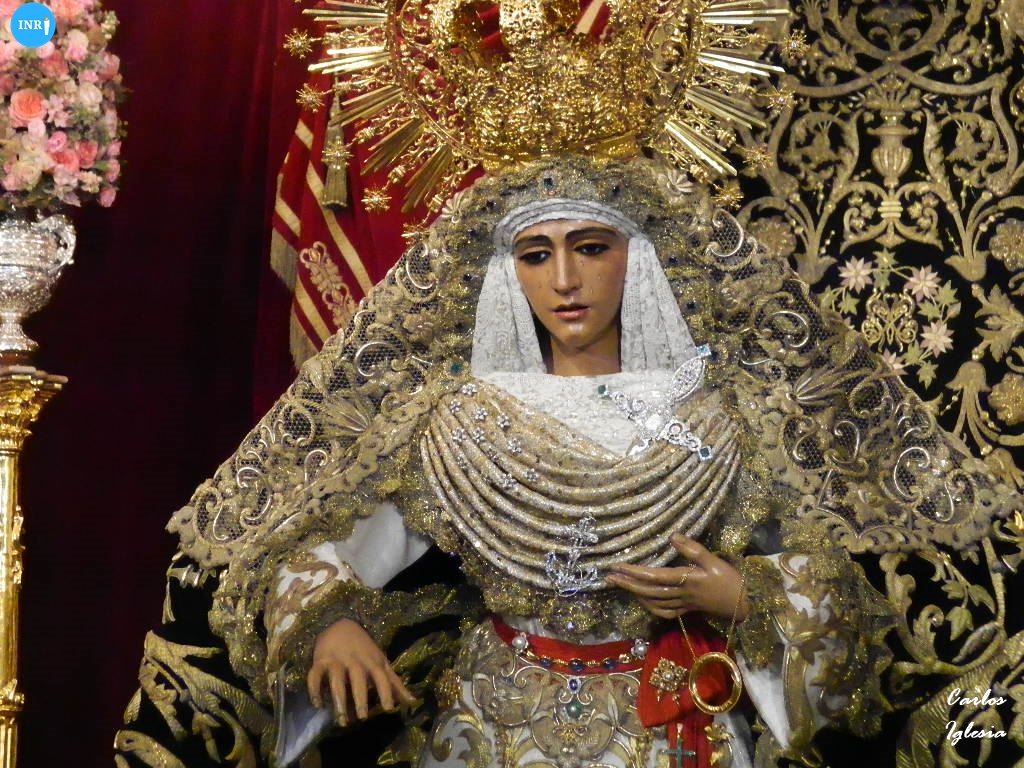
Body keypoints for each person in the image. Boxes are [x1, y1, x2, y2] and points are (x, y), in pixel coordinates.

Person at [161, 156, 1012, 768]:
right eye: (536, 255)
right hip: (490, 725)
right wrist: (331, 622)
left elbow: (831, 588)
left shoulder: (717, 420)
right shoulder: (458, 423)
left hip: (677, 720)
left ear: (639, 257)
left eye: (592, 247)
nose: (565, 279)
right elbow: (312, 552)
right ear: (509, 274)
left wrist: (743, 596)